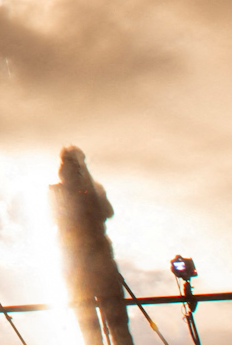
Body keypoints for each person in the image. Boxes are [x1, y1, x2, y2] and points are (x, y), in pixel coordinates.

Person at [53, 147, 133, 345]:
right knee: (90, 324)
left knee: (115, 322)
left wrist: (87, 186)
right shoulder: (58, 192)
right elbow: (57, 217)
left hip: (96, 261)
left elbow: (106, 211)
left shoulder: (92, 188)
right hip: (78, 262)